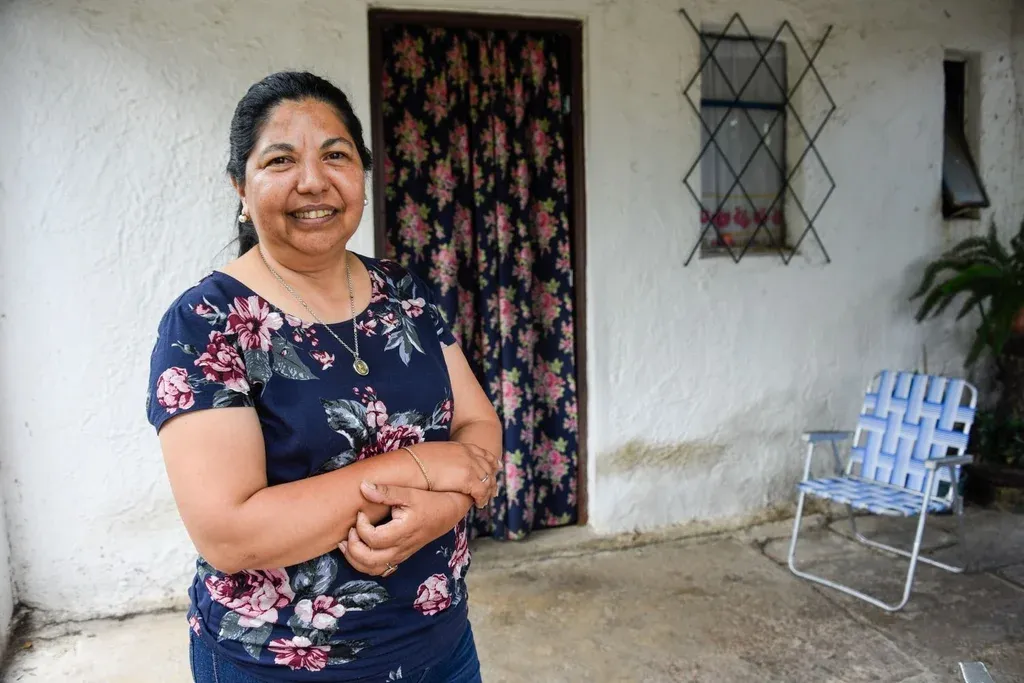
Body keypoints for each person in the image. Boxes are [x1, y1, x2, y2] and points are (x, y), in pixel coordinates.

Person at [146, 70, 502, 683]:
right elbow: (229, 535)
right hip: (280, 663)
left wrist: (443, 508)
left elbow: (478, 426)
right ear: (240, 186)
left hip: (441, 644)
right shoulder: (207, 322)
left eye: (335, 155)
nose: (313, 181)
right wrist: (418, 465)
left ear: (362, 172)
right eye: (280, 160)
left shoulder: (402, 293)